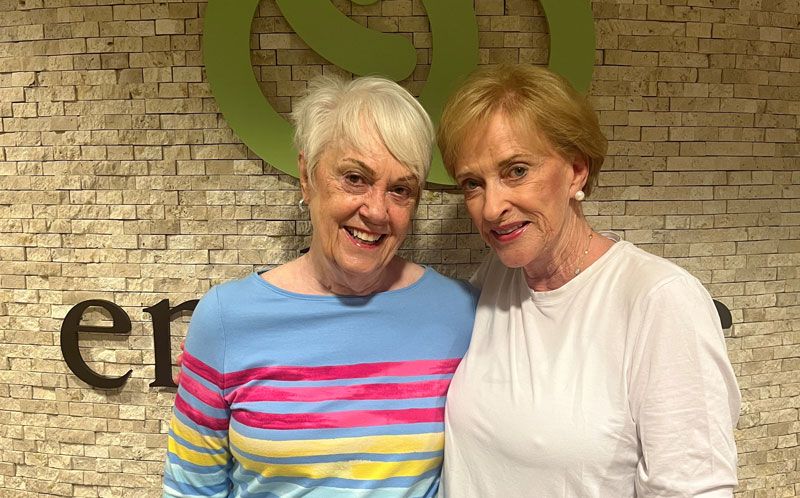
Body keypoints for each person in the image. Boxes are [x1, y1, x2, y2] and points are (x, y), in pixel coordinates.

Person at [163, 75, 477, 497]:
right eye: (354, 178)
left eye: (401, 189)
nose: (376, 210)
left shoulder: (459, 313)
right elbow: (191, 489)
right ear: (307, 176)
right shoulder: (227, 319)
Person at [435, 64, 741, 497]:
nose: (490, 208)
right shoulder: (497, 278)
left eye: (516, 171)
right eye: (473, 183)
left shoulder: (659, 300)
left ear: (576, 169)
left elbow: (693, 490)